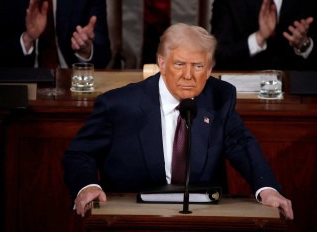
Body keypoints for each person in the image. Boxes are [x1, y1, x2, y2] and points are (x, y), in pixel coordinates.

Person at [62, 23, 294, 220]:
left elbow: (243, 145)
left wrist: (268, 189)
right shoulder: (119, 104)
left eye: (198, 66)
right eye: (180, 64)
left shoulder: (218, 98)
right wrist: (87, 185)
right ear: (162, 64)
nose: (188, 76)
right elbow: (80, 154)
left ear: (210, 69)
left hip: (201, 220)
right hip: (133, 218)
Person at [211, 0, 317, 71]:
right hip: (244, 95)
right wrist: (258, 38)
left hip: (305, 96)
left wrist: (305, 45)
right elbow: (219, 54)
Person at [0, 0, 111, 69]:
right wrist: (26, 40)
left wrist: (86, 50)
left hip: (71, 84)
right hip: (18, 85)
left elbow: (103, 56)